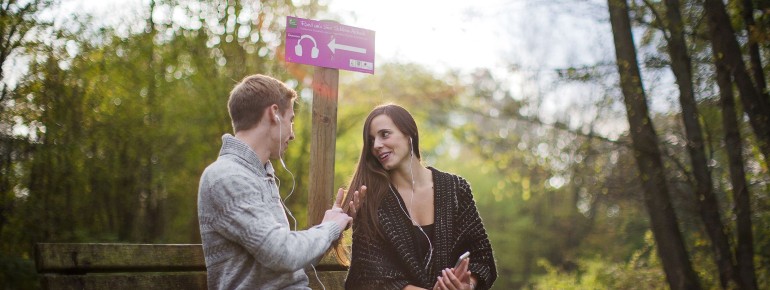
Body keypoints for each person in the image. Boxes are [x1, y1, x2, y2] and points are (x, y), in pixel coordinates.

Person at [197, 74, 359, 289]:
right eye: (290, 119)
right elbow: (282, 254)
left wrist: (332, 228)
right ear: (274, 113)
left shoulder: (258, 174)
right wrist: (329, 228)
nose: (292, 135)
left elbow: (288, 263)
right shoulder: (227, 176)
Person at [342, 104, 497, 290]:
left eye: (385, 134)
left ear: (409, 134)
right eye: (371, 140)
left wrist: (467, 285)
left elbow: (483, 258)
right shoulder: (370, 200)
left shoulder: (456, 189)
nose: (376, 145)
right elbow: (370, 276)